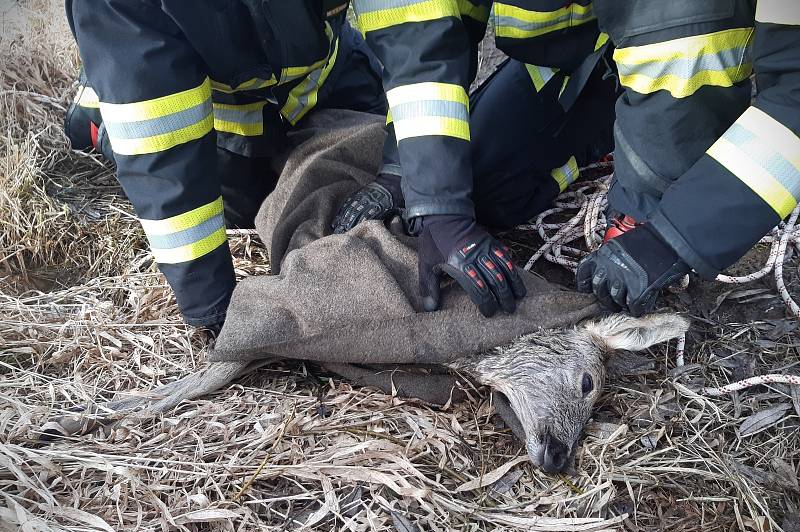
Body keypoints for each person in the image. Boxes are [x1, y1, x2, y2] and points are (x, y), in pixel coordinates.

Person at [336, 0, 800, 318]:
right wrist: (425, 189)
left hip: (684, 75)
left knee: (638, 263)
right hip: (577, 57)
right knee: (486, 190)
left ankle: (649, 203)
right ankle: (605, 109)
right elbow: (416, 36)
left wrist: (673, 238)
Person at [64, 0, 387, 331]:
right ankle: (100, 113)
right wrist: (214, 310)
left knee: (378, 146)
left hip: (324, 70)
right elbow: (162, 156)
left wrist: (399, 173)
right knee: (240, 209)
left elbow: (420, 45)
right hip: (212, 105)